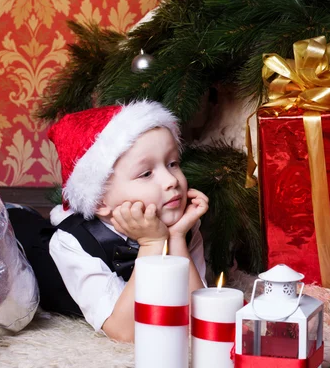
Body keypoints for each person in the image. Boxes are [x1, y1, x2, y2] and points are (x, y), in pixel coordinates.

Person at [43, 100, 208, 342]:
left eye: (173, 164)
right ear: (100, 200)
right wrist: (152, 244)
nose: (171, 180)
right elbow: (124, 331)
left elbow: (198, 319)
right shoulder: (72, 241)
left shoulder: (184, 223)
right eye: (146, 173)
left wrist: (175, 238)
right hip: (42, 262)